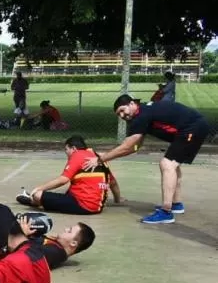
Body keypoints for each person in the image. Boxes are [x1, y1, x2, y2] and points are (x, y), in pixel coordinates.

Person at [87, 94, 212, 224]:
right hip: (191, 128)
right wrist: (107, 155)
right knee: (173, 164)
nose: (122, 116)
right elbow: (134, 147)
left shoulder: (141, 116)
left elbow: (128, 147)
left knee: (167, 164)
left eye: (122, 111)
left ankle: (166, 212)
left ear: (132, 104)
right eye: (119, 114)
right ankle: (176, 204)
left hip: (192, 128)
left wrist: (100, 159)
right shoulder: (142, 113)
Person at [16, 135, 122, 215]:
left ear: (74, 148)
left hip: (83, 205)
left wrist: (38, 188)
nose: (66, 153)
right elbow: (112, 183)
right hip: (98, 207)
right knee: (67, 193)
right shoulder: (98, 157)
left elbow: (63, 180)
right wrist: (117, 200)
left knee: (38, 195)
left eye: (66, 149)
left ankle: (33, 201)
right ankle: (37, 200)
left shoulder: (77, 155)